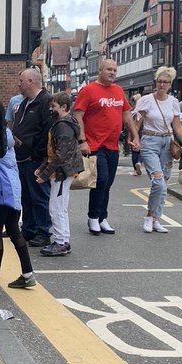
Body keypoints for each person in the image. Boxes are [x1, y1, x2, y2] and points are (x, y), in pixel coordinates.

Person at [73, 57, 140, 235]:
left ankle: (102, 218)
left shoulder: (118, 91)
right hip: (95, 145)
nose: (112, 73)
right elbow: (78, 115)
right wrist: (82, 140)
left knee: (108, 183)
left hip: (112, 146)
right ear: (100, 71)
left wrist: (135, 136)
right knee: (100, 180)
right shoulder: (88, 91)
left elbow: (127, 116)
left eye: (114, 70)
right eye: (108, 69)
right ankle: (93, 217)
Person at [132, 67, 182, 233]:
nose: (162, 84)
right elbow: (137, 123)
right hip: (150, 141)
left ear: (170, 84)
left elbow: (178, 127)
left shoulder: (173, 102)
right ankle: (148, 216)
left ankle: (155, 219)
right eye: (159, 81)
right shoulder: (146, 100)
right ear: (156, 82)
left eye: (165, 82)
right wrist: (135, 140)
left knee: (164, 184)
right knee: (158, 182)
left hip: (167, 143)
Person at [0, 128, 36, 291]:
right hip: (13, 190)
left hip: (0, 191)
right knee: (14, 231)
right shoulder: (7, 135)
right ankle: (27, 274)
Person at [35, 90, 83, 257]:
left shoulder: (62, 126)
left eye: (53, 106)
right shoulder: (65, 123)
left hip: (62, 172)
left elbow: (60, 154)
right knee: (59, 206)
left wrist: (45, 173)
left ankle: (61, 242)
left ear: (63, 107)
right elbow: (54, 150)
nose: (51, 110)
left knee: (56, 207)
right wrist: (43, 168)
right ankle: (63, 240)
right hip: (63, 170)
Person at [11, 67, 52, 246]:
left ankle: (43, 232)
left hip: (35, 159)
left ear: (30, 82)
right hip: (22, 157)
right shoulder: (24, 102)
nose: (19, 84)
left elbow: (47, 131)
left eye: (21, 81)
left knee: (39, 196)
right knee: (26, 196)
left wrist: (36, 154)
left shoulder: (45, 101)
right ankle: (29, 229)